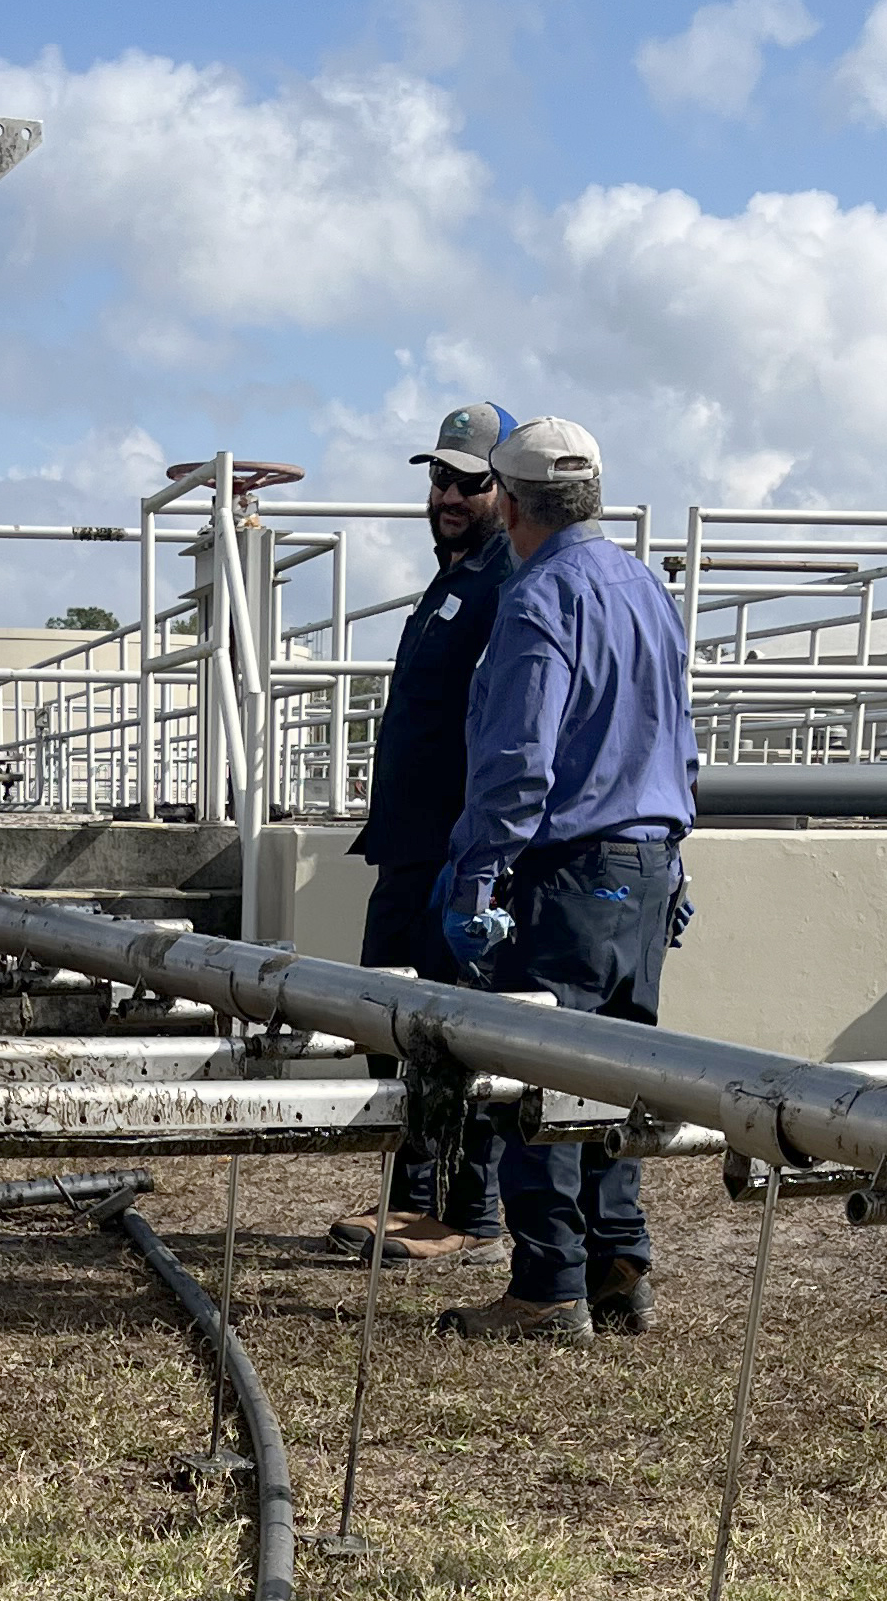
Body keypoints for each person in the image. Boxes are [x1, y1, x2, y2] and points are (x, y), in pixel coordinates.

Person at [434, 417, 696, 1344]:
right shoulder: (644, 588)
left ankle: (549, 1285)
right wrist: (674, 855)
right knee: (618, 1075)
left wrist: (478, 876)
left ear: (508, 502)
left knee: (539, 1079)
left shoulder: (541, 595)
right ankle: (621, 1264)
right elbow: (678, 733)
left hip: (569, 869)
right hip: (647, 861)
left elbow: (518, 759)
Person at [327, 401, 517, 1268]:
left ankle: (469, 1212)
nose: (446, 494)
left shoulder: (505, 582)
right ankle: (408, 1199)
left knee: (458, 1034)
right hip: (407, 848)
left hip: (454, 854)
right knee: (388, 1024)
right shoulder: (451, 579)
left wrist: (481, 857)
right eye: (437, 477)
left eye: (467, 480)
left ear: (502, 487)